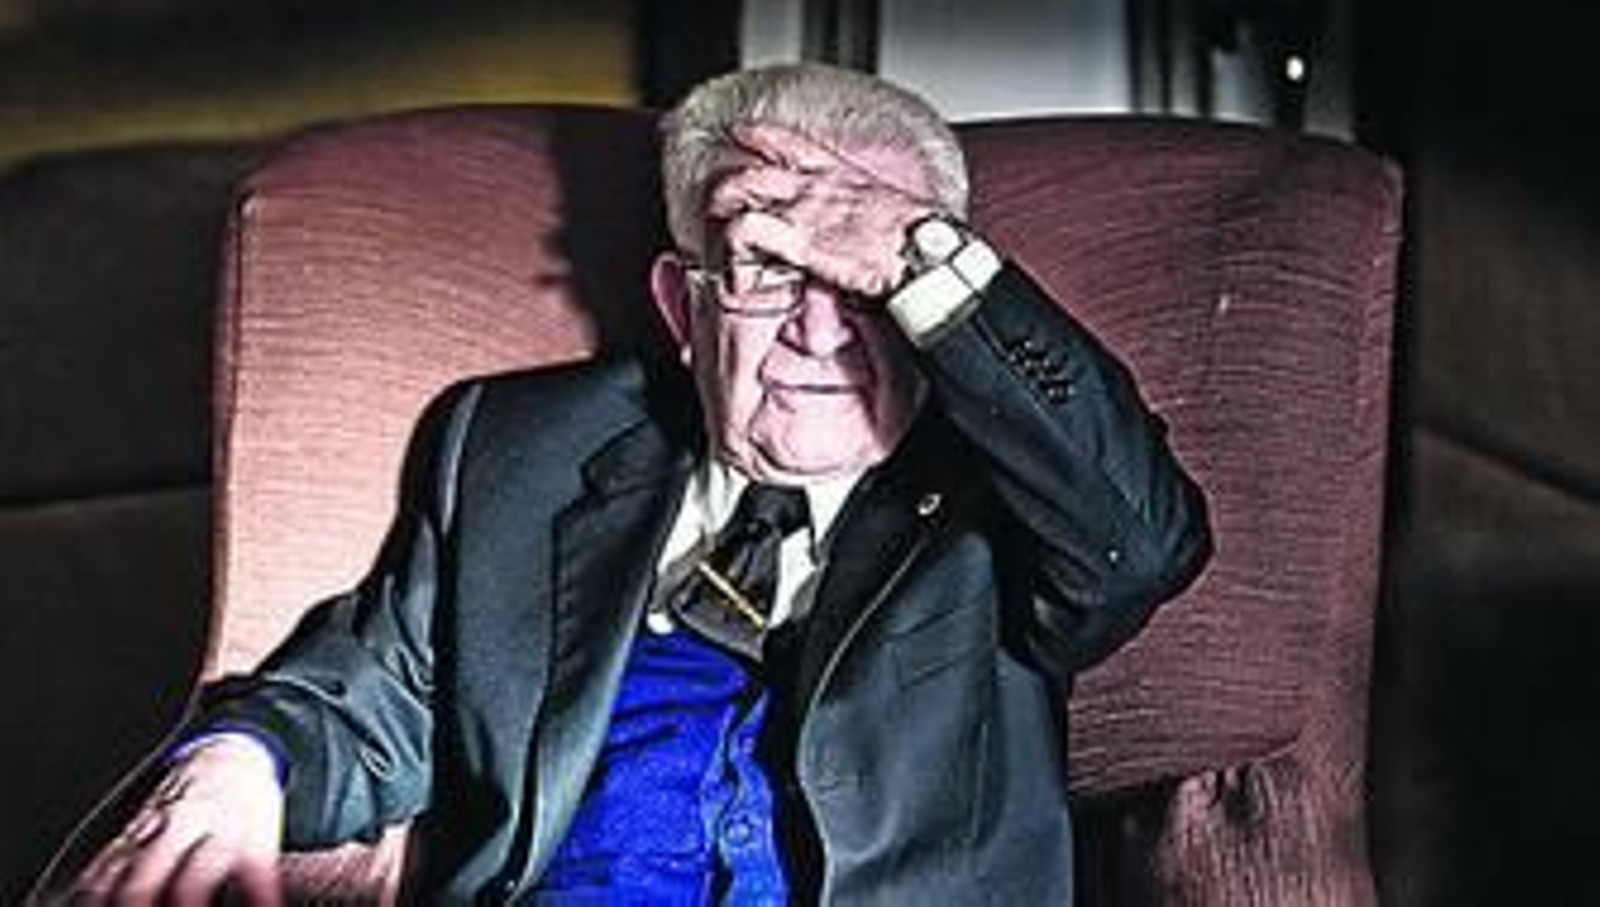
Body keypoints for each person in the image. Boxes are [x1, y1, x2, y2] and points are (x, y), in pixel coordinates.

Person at [62, 62, 1210, 904]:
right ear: (680, 303)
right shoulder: (518, 448)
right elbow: (376, 696)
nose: (823, 332)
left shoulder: (1015, 476)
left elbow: (1145, 540)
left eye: (868, 275)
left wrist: (927, 262)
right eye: (770, 267)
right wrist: (241, 762)